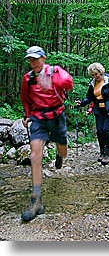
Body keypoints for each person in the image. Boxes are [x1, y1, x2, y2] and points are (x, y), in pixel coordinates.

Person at [20, 46, 73, 221]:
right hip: (38, 118)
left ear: (43, 58)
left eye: (36, 59)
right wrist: (27, 115)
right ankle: (36, 201)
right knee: (35, 156)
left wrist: (54, 82)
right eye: (30, 59)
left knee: (63, 149)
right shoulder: (27, 79)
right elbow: (25, 99)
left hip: (57, 116)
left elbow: (69, 83)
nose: (33, 62)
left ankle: (60, 156)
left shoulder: (55, 72)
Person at [75, 62, 109, 165]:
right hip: (98, 109)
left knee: (106, 129)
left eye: (96, 74)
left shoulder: (108, 81)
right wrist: (81, 103)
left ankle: (108, 153)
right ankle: (102, 152)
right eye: (92, 75)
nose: (95, 77)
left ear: (100, 72)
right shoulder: (92, 84)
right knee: (100, 131)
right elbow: (89, 98)